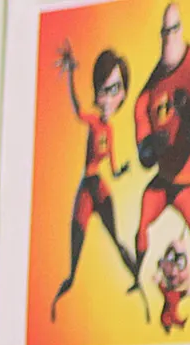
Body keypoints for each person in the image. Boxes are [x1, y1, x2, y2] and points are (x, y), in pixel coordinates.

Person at [52, 41, 140, 317]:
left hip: (99, 186)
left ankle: (137, 277)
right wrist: (70, 74)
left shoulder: (110, 130)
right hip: (87, 186)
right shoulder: (92, 121)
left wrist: (121, 171)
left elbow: (111, 166)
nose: (110, 99)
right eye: (105, 91)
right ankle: (66, 286)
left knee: (117, 239)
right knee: (76, 245)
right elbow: (78, 109)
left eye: (116, 91)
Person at [134, 5, 190, 277]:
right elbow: (142, 115)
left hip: (184, 185)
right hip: (161, 181)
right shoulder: (155, 81)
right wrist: (151, 145)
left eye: (173, 30)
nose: (169, 37)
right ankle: (137, 274)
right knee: (142, 225)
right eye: (165, 32)